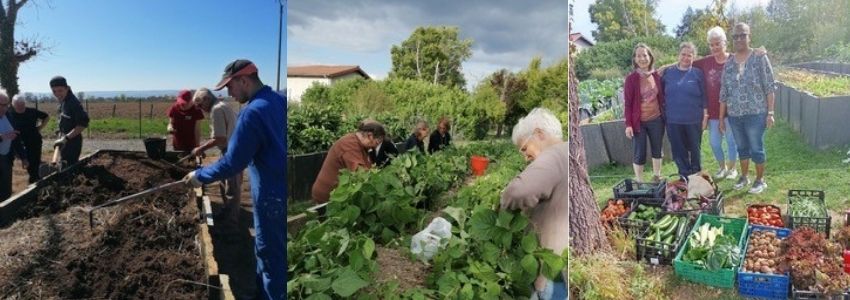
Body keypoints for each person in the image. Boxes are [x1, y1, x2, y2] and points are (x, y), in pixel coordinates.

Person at [183, 59, 286, 299]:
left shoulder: (253, 111)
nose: (229, 92)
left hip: (270, 194)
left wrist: (200, 176)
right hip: (279, 185)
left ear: (244, 80)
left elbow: (233, 162)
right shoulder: (279, 101)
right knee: (272, 253)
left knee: (270, 256)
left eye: (230, 86)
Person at [501, 107, 567, 300]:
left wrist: (502, 200)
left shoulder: (553, 155)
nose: (525, 156)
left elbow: (518, 191)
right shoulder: (568, 151)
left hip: (554, 272)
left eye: (524, 148)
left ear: (539, 133)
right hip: (562, 264)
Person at [719, 22, 776, 194]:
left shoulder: (759, 57)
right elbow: (724, 93)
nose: (739, 39)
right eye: (735, 36)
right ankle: (744, 177)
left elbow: (770, 86)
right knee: (741, 147)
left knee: (756, 147)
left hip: (756, 113)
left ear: (749, 36)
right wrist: (722, 118)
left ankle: (760, 180)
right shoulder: (728, 64)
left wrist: (770, 113)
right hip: (735, 115)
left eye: (742, 35)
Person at [190, 88, 242, 231]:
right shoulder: (223, 105)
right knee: (223, 183)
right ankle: (226, 213)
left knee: (232, 189)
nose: (201, 109)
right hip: (230, 149)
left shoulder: (216, 110)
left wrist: (200, 149)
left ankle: (231, 226)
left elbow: (220, 138)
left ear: (207, 99)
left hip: (231, 151)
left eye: (200, 105)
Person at [694, 27, 739, 180]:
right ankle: (722, 167)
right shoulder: (706, 62)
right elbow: (685, 62)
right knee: (714, 143)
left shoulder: (734, 59)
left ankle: (733, 169)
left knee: (732, 141)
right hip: (713, 112)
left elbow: (750, 56)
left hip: (732, 111)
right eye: (711, 45)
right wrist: (663, 68)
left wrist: (760, 52)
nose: (714, 47)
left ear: (725, 43)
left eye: (717, 44)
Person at [661, 42, 706, 179]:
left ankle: (696, 174)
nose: (686, 58)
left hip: (693, 119)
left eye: (689, 55)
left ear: (694, 57)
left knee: (694, 148)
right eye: (683, 54)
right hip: (673, 120)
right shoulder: (667, 73)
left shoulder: (698, 74)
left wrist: (705, 116)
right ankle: (684, 176)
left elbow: (704, 96)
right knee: (678, 150)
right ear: (678, 55)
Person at [311, 122, 384, 204]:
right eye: (377, 142)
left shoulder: (358, 143)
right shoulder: (350, 145)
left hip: (339, 194)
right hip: (329, 197)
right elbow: (361, 173)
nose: (375, 147)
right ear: (370, 136)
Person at [623, 43, 665, 183]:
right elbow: (628, 103)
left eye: (645, 55)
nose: (642, 58)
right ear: (635, 59)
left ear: (650, 57)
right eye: (639, 56)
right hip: (639, 122)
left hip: (656, 119)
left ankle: (657, 176)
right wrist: (628, 124)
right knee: (639, 152)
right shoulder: (631, 79)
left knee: (657, 148)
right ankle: (639, 181)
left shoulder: (656, 76)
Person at [49, 76, 89, 166]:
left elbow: (82, 124)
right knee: (63, 164)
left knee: (68, 167)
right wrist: (60, 131)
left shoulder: (73, 103)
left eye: (60, 90)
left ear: (67, 88)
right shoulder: (63, 101)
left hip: (73, 143)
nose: (57, 94)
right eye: (54, 91)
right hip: (64, 141)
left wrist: (65, 138)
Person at [8, 96, 49, 183]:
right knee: (27, 161)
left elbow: (46, 117)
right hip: (20, 143)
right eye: (17, 105)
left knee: (36, 161)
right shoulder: (9, 113)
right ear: (13, 104)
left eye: (22, 105)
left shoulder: (32, 111)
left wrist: (40, 127)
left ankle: (34, 180)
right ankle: (34, 178)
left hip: (34, 140)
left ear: (24, 104)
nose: (20, 107)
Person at [0, 92, 26, 200]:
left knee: (6, 191)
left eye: (6, 105)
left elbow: (16, 138)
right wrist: (2, 137)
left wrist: (23, 157)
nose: (4, 108)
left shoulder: (8, 116)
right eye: (0, 105)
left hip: (6, 159)